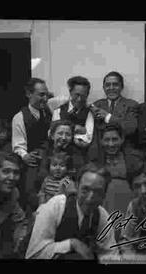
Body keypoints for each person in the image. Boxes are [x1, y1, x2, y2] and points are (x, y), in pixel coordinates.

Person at [25, 162, 120, 261]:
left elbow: (111, 254)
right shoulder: (55, 206)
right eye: (85, 190)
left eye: (98, 192)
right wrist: (71, 244)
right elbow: (34, 254)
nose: (90, 198)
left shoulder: (102, 215)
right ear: (77, 187)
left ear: (104, 195)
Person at [12, 77, 53, 211]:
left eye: (47, 94)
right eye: (41, 94)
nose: (45, 98)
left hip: (48, 160)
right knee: (32, 197)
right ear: (29, 94)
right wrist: (25, 156)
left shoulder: (48, 111)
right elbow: (18, 145)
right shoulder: (19, 118)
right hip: (32, 164)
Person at [89, 71, 140, 158]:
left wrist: (108, 117)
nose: (111, 88)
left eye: (115, 84)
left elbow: (130, 128)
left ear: (121, 87)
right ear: (104, 88)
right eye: (108, 85)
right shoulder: (97, 105)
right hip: (101, 155)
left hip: (125, 154)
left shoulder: (131, 105)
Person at [38, 119, 85, 185]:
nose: (63, 138)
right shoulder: (42, 153)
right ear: (52, 136)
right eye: (60, 133)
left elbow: (78, 178)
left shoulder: (76, 155)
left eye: (68, 134)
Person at [52, 76, 94, 150]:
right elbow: (53, 134)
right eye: (77, 95)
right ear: (70, 92)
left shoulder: (89, 112)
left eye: (83, 96)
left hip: (80, 154)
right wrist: (77, 130)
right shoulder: (58, 110)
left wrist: (67, 132)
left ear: (87, 95)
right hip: (59, 152)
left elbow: (88, 138)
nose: (79, 99)